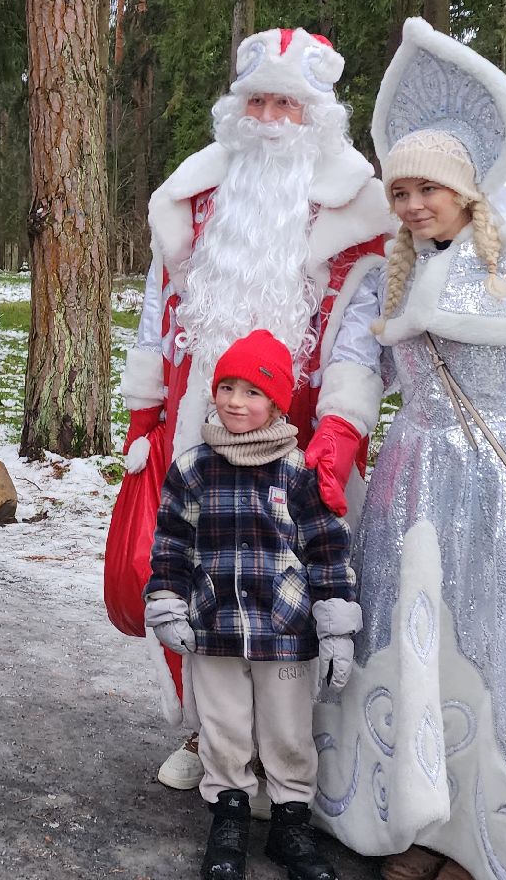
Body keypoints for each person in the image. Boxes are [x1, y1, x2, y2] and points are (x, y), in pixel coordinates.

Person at [309, 18, 506, 880]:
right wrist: (334, 444)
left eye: (428, 190)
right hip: (410, 490)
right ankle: (411, 826)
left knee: (505, 658)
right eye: (399, 191)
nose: (412, 204)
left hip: (496, 492)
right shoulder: (385, 275)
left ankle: (494, 839)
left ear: (468, 191)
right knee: (410, 652)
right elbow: (357, 365)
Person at [105, 27, 394, 796]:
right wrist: (145, 417)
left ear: (318, 116)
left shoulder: (359, 215)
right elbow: (156, 311)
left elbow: (362, 341)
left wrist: (339, 430)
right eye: (257, 100)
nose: (269, 117)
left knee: (289, 589)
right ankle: (211, 737)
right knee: (196, 576)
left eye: (287, 104)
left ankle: (292, 757)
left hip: (297, 438)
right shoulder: (193, 198)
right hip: (198, 422)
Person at [145, 330, 359, 880]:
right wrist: (168, 601)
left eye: (253, 392)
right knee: (224, 729)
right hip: (214, 628)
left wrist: (335, 623)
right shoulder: (193, 469)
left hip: (285, 632)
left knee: (288, 734)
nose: (237, 402)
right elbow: (170, 543)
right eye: (227, 387)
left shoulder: (300, 471)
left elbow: (328, 550)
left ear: (278, 403)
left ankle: (290, 824)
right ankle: (230, 819)